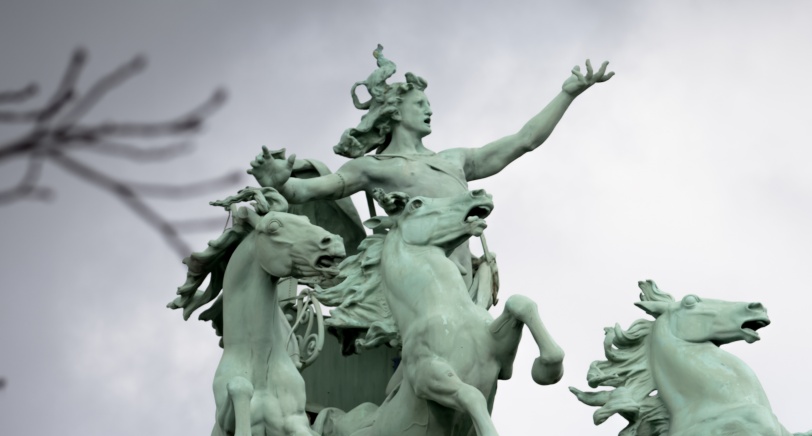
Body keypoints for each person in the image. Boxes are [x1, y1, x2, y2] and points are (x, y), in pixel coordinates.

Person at [248, 45, 613, 306]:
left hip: (463, 282)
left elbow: (524, 141)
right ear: (394, 111)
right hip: (413, 284)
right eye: (420, 105)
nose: (429, 111)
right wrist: (279, 181)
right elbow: (307, 191)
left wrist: (567, 95)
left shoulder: (456, 160)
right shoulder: (372, 168)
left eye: (429, 105)